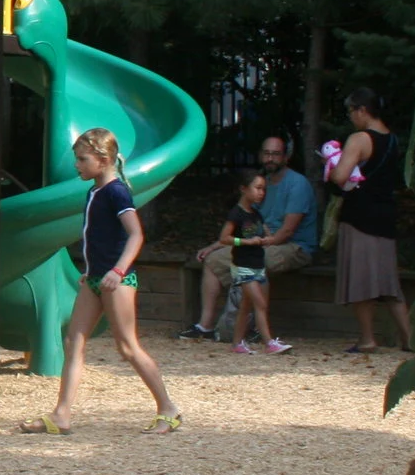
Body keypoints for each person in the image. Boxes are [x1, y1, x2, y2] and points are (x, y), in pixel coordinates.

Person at [21, 128, 182, 436]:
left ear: (103, 159)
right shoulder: (95, 190)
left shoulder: (116, 191)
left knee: (127, 347)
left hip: (115, 281)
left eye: (82, 159)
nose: (77, 165)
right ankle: (62, 414)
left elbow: (135, 235)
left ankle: (168, 408)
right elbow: (100, 237)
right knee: (73, 342)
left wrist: (117, 271)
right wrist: (93, 270)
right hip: (95, 279)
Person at [178, 134, 316, 339]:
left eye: (276, 154)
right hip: (260, 242)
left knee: (257, 261)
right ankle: (205, 326)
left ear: (285, 158)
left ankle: (258, 330)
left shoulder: (298, 184)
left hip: (293, 246)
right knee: (213, 260)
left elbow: (286, 232)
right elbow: (245, 222)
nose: (270, 158)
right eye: (266, 153)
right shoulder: (260, 183)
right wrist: (215, 246)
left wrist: (259, 245)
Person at [332, 86, 413, 353]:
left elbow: (341, 177)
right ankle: (409, 338)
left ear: (362, 110)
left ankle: (367, 338)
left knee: (361, 279)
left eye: (351, 111)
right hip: (386, 215)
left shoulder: (359, 139)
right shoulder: (392, 139)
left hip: (360, 215)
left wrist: (330, 167)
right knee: (389, 281)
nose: (350, 117)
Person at [208, 171, 290, 354]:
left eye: (263, 189)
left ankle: (237, 343)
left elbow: (266, 233)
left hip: (258, 265)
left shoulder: (256, 214)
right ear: (244, 189)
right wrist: (245, 242)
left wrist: (268, 239)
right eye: (258, 188)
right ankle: (269, 342)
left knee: (246, 305)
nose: (261, 193)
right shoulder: (236, 214)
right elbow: (224, 238)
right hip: (243, 267)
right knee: (259, 304)